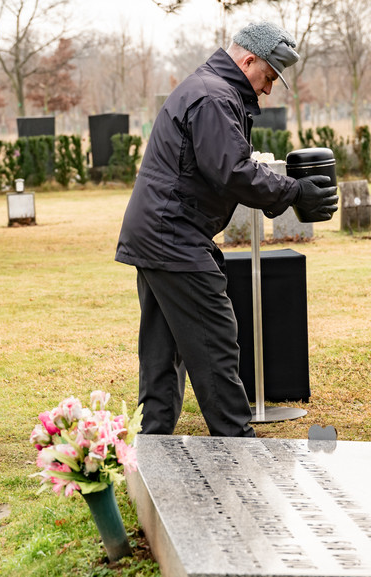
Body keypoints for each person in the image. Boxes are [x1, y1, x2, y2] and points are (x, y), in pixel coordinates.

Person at [115, 21, 338, 438]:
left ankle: (151, 445)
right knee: (214, 340)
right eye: (268, 77)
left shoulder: (208, 88)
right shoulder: (214, 96)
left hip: (158, 234)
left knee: (163, 352)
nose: (268, 89)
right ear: (248, 60)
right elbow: (232, 171)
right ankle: (237, 445)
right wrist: (295, 192)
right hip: (174, 237)